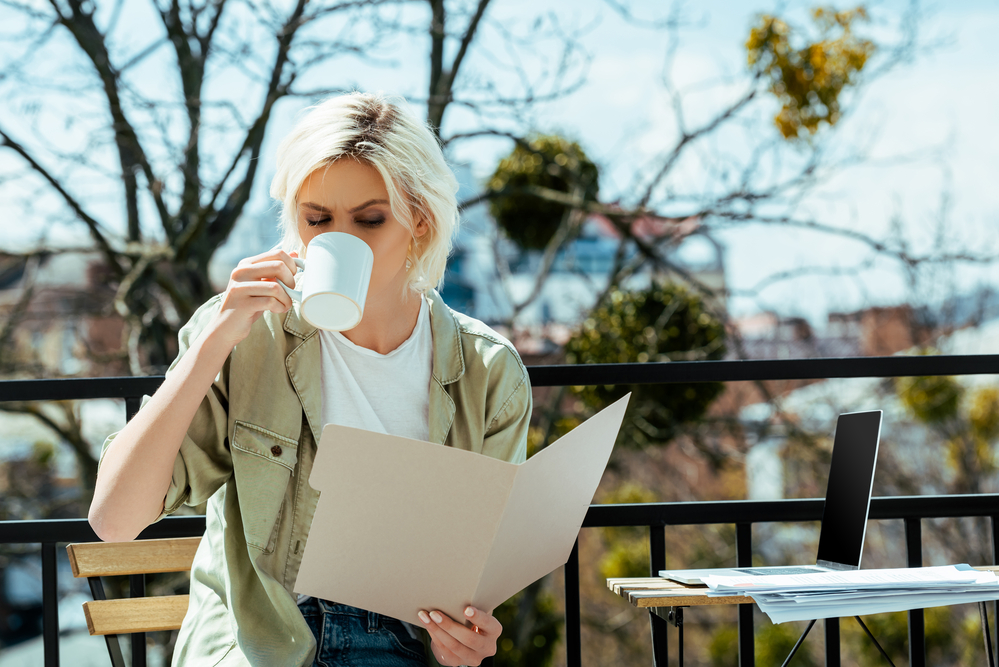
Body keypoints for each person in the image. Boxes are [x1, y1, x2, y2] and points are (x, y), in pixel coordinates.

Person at [89, 91, 532, 667]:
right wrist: (212, 344)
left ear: (419, 221)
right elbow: (114, 519)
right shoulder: (247, 337)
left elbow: (479, 579)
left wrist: (467, 643)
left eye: (369, 220)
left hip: (398, 640)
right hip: (258, 640)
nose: (333, 241)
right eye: (316, 219)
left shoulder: (486, 371)